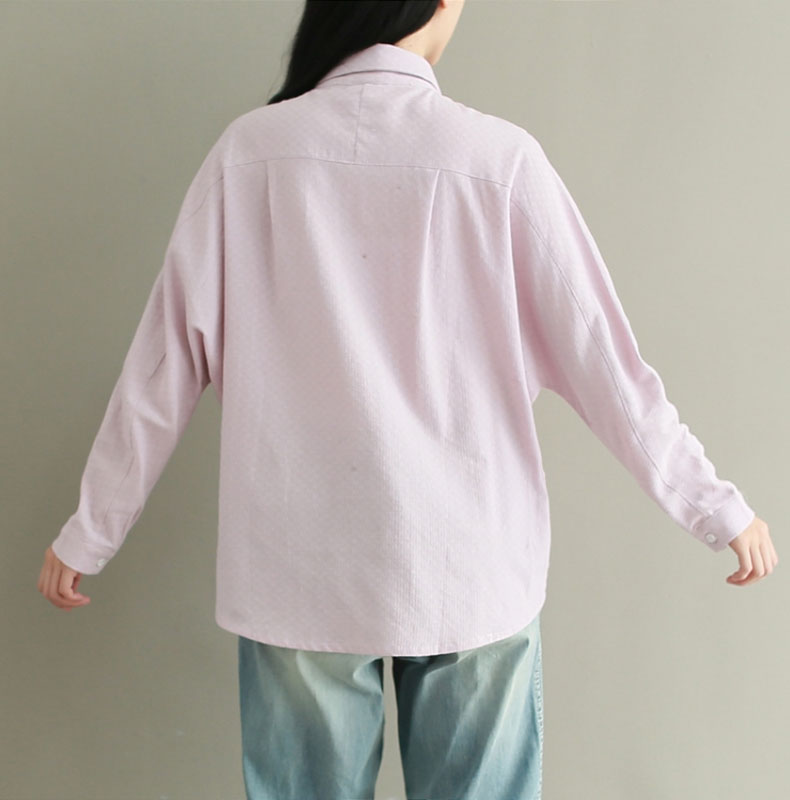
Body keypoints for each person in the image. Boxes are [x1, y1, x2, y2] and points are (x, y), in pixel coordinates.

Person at [38, 1, 777, 798]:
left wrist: (92, 530)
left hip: (297, 572)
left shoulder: (248, 155)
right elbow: (609, 369)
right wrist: (716, 508)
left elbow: (163, 366)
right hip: (471, 565)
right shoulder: (498, 161)